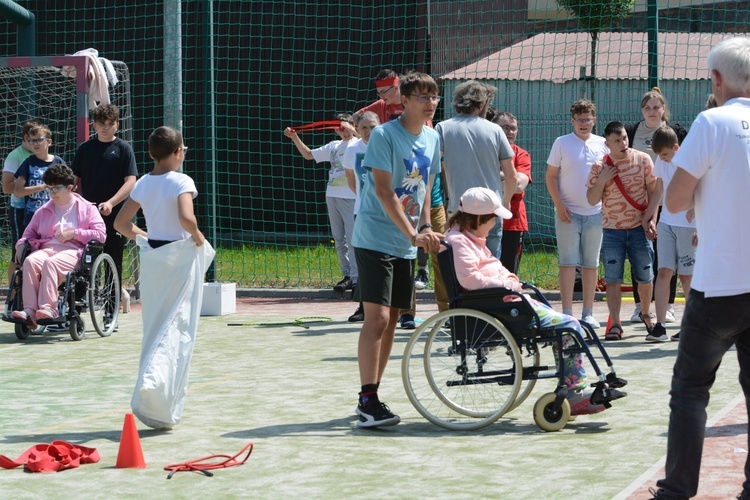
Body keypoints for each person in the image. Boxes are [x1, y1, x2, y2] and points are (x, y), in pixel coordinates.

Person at [649, 37, 750, 499]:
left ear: (717, 79)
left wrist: (702, 201)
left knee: (690, 391)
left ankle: (676, 491)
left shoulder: (712, 122)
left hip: (719, 285)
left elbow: (675, 199)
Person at [445, 187, 625, 415]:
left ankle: (578, 385)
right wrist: (509, 285)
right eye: (493, 219)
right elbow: (470, 279)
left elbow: (493, 270)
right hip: (501, 307)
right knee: (569, 327)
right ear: (479, 218)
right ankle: (575, 391)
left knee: (570, 324)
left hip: (508, 303)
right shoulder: (460, 242)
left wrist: (510, 279)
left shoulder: (472, 240)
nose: (495, 224)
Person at [351, 71, 443, 428]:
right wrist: (412, 234)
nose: (430, 102)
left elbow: (424, 187)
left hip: (405, 242)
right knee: (379, 319)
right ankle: (367, 398)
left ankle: (372, 395)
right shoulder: (385, 136)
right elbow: (385, 191)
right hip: (375, 237)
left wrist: (423, 227)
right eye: (422, 96)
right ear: (403, 101)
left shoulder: (433, 138)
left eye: (434, 96)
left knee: (390, 325)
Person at [114, 126, 215, 430]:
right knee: (176, 325)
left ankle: (156, 395)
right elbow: (186, 218)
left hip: (154, 260)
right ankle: (153, 385)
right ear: (177, 152)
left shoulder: (144, 183)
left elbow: (121, 223)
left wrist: (145, 236)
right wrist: (197, 236)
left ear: (150, 154)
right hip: (179, 260)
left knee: (157, 325)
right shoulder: (182, 180)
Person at [586, 121, 659, 341]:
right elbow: (591, 200)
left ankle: (645, 313)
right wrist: (603, 180)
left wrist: (651, 220)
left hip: (639, 228)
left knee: (645, 276)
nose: (623, 143)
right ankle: (616, 323)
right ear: (607, 143)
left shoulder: (642, 159)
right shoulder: (600, 166)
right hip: (612, 231)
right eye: (617, 140)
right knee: (613, 279)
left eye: (625, 138)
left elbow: (655, 193)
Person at [10, 165, 106, 328]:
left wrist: (74, 233)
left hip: (73, 251)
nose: (52, 193)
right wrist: (21, 244)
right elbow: (28, 235)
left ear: (70, 187)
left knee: (51, 263)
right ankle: (30, 312)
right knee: (30, 262)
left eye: (56, 189)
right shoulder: (43, 210)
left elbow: (100, 234)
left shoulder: (87, 208)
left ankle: (49, 309)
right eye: (50, 189)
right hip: (46, 249)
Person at [625, 88, 689, 325]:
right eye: (647, 107)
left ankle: (669, 306)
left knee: (666, 258)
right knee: (639, 252)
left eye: (656, 107)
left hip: (671, 205)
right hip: (639, 201)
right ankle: (641, 306)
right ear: (642, 110)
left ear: (664, 110)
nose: (652, 111)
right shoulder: (632, 132)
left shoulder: (678, 133)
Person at [437, 80, 518, 260]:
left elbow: (435, 167)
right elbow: (511, 175)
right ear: (481, 104)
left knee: (461, 262)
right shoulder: (495, 130)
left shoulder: (442, 128)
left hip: (459, 207)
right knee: (490, 263)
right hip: (491, 206)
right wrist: (505, 201)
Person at [545, 99, 609, 328]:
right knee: (568, 262)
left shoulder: (603, 144)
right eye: (579, 119)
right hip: (567, 214)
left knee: (591, 264)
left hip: (596, 213)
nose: (584, 123)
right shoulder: (561, 143)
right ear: (572, 121)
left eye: (587, 119)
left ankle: (589, 312)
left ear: (594, 120)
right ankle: (567, 312)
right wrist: (559, 204)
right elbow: (551, 176)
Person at [284, 114, 358, 294]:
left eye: (345, 128)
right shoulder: (334, 146)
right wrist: (294, 137)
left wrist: (352, 130)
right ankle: (348, 275)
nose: (343, 132)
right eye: (339, 128)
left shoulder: (360, 143)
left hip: (352, 197)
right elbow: (309, 155)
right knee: (339, 239)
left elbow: (368, 141)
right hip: (332, 195)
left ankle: (357, 279)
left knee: (353, 238)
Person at [72, 104, 138, 301]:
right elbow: (73, 181)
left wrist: (110, 203)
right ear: (94, 125)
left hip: (116, 217)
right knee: (85, 260)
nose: (105, 127)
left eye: (110, 124)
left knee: (113, 261)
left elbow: (131, 182)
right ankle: (80, 304)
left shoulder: (124, 149)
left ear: (117, 125)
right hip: (88, 217)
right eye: (102, 123)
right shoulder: (85, 149)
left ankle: (111, 310)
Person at [642, 125, 696, 343]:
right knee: (663, 271)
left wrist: (698, 210)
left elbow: (704, 189)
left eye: (664, 154)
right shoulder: (661, 161)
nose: (662, 159)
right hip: (667, 223)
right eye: (658, 155)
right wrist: (649, 216)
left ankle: (690, 327)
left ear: (676, 147)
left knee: (687, 276)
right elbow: (659, 190)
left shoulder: (691, 162)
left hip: (689, 225)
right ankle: (660, 326)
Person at [342, 111, 381, 322]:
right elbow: (351, 181)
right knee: (364, 262)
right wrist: (365, 201)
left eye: (373, 127)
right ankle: (363, 308)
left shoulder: (387, 146)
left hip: (387, 214)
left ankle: (396, 310)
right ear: (357, 129)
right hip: (363, 213)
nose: (368, 132)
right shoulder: (352, 149)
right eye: (364, 128)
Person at [492, 111, 532, 274]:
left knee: (508, 272)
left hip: (512, 221)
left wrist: (495, 176)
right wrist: (509, 176)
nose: (509, 132)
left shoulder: (521, 154)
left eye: (513, 128)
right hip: (485, 220)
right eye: (505, 128)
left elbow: (519, 186)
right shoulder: (486, 152)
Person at [3, 119, 39, 283]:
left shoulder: (40, 155)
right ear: (26, 138)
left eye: (40, 139)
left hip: (39, 210)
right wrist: (32, 186)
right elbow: (7, 188)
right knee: (18, 252)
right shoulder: (15, 156)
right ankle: (12, 297)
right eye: (34, 139)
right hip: (20, 210)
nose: (37, 143)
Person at [14, 123, 67, 227]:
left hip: (55, 217)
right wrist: (42, 187)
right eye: (32, 141)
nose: (35, 144)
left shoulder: (59, 162)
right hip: (33, 218)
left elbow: (68, 189)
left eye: (39, 140)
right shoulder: (28, 163)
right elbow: (17, 192)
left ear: (49, 142)